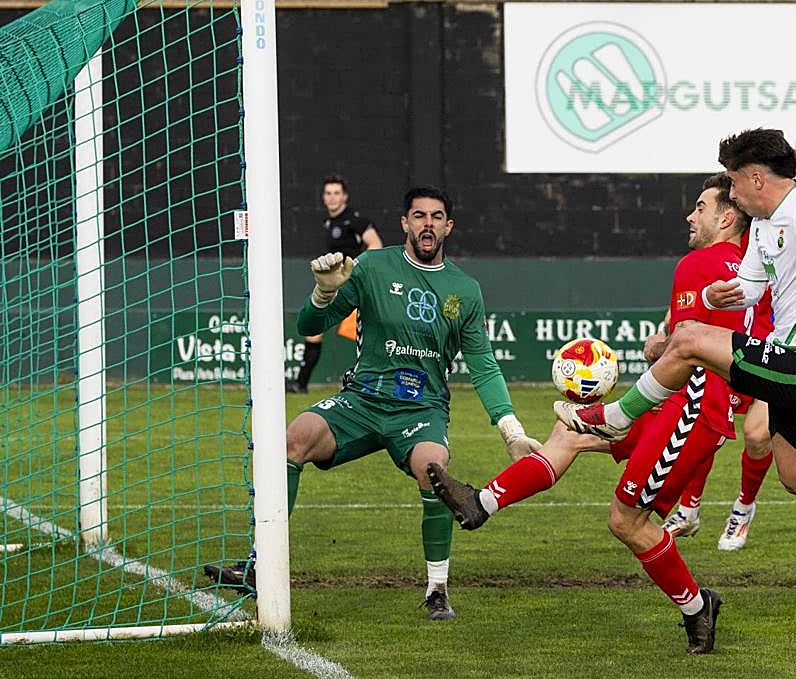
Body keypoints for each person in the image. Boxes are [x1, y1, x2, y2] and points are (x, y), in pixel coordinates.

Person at [556, 128, 796, 606]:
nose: (731, 195)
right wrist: (723, 293)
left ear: (756, 179)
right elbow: (753, 287)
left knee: (690, 338)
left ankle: (615, 418)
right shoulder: (764, 225)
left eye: (734, 183)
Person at [426, 173, 762, 653]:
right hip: (686, 405)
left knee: (626, 521)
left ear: (727, 217)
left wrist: (658, 348)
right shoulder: (751, 269)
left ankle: (697, 607)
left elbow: (683, 347)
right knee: (568, 431)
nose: (691, 215)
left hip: (690, 410)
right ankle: (481, 503)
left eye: (701, 207)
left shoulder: (698, 263)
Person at [206, 186, 540, 619]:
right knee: (293, 441)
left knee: (434, 470)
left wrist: (510, 430)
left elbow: (484, 365)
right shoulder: (370, 267)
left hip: (421, 411)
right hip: (361, 400)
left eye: (436, 216)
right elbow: (310, 323)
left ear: (449, 226)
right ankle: (259, 566)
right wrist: (323, 295)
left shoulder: (465, 291)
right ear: (404, 223)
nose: (427, 224)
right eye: (418, 216)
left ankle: (437, 590)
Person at [663, 147, 796, 553]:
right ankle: (690, 506)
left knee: (755, 434)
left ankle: (742, 508)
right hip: (767, 348)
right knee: (792, 472)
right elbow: (746, 288)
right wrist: (713, 297)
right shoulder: (763, 231)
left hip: (795, 357)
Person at [287, 173, 383, 394]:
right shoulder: (329, 222)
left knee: (365, 333)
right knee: (314, 330)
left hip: (356, 285)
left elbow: (376, 245)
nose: (332, 198)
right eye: (328, 193)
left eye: (336, 193)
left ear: (345, 197)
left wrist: (354, 273)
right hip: (338, 285)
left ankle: (372, 383)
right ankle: (301, 384)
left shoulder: (355, 220)